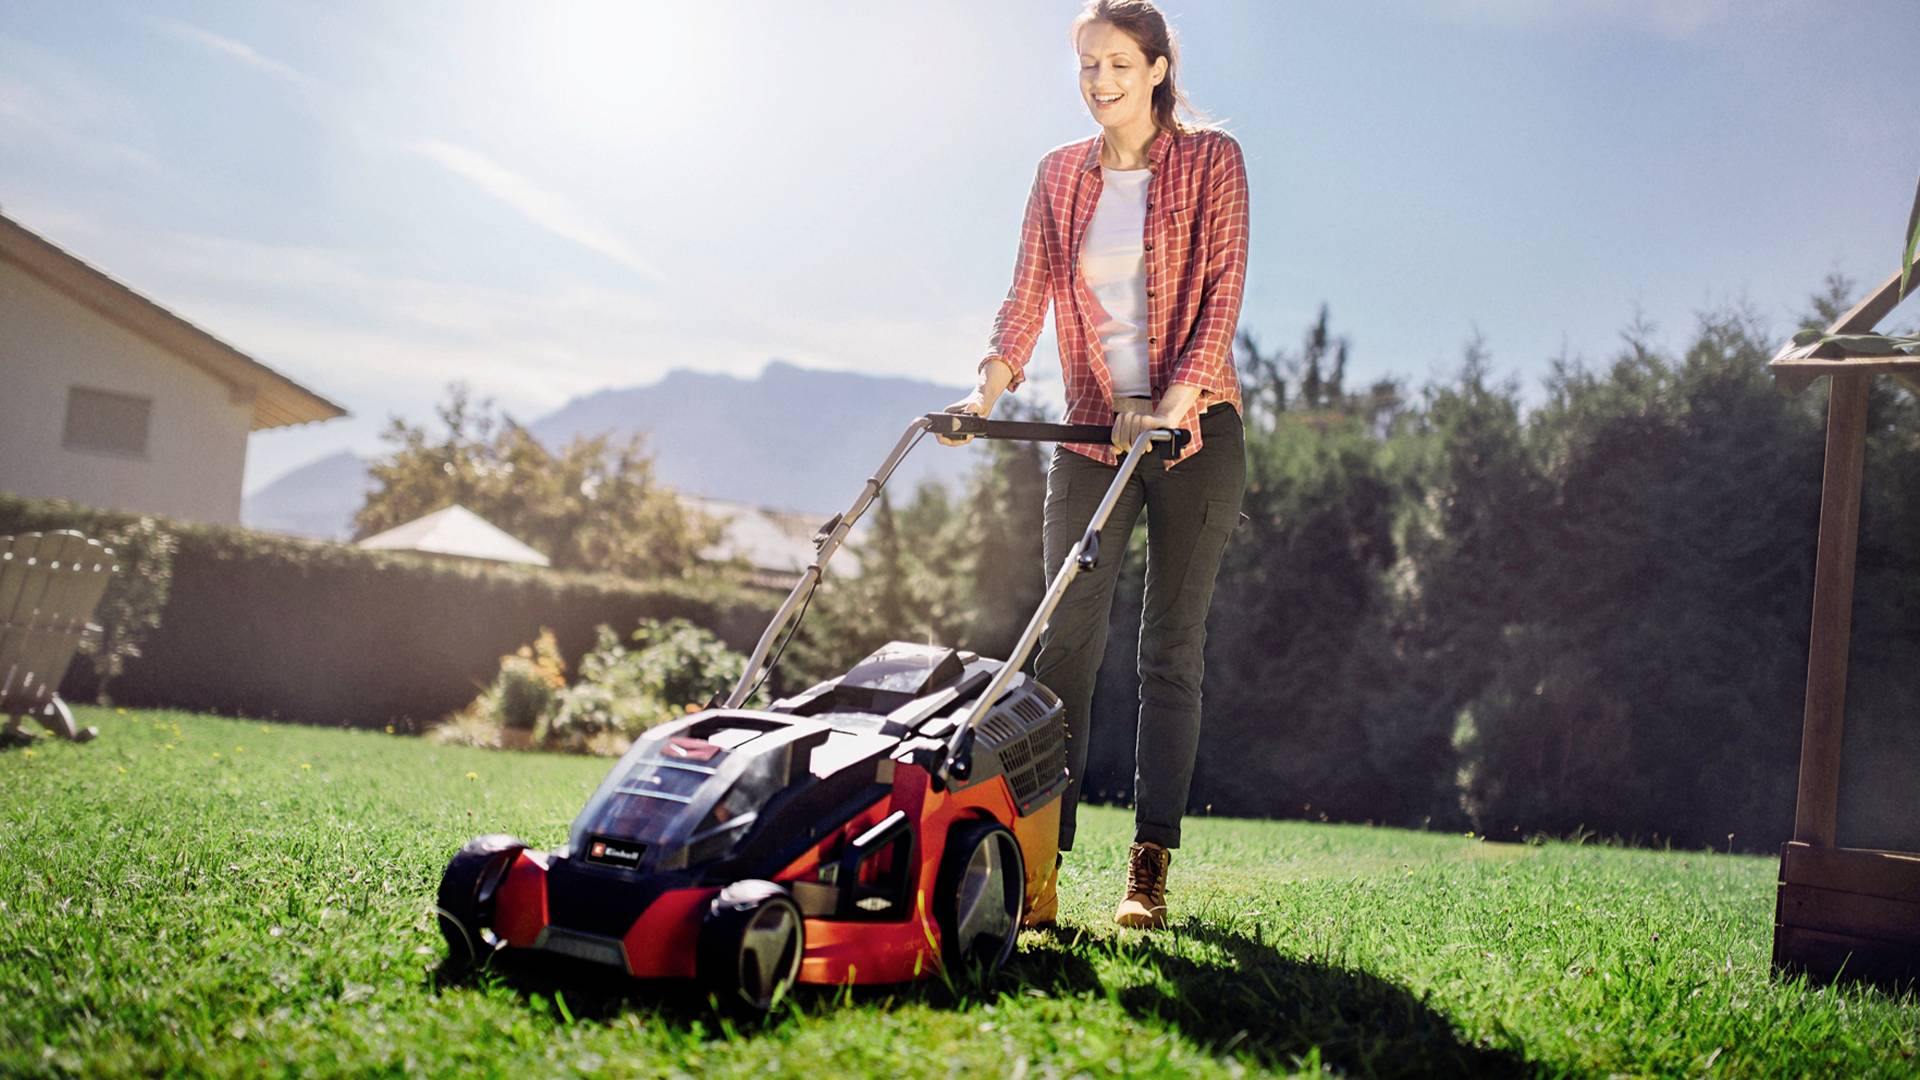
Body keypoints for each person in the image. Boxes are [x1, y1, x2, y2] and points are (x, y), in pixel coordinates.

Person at [943, 0, 1248, 929]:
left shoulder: (1211, 160)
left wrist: (1169, 408)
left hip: (1195, 437)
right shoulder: (1058, 176)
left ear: (1156, 68)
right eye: (1087, 66)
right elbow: (1027, 292)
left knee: (1170, 651)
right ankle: (1038, 870)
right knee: (1062, 646)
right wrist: (985, 394)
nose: (1100, 81)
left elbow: (1222, 296)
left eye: (1118, 63)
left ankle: (1148, 864)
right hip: (1087, 432)